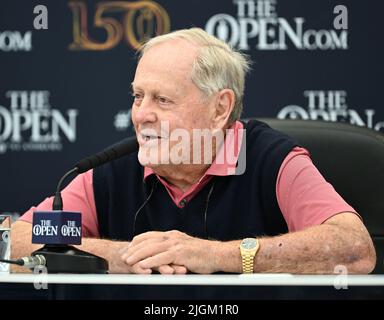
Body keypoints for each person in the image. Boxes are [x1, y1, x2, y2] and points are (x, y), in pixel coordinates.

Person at [12, 28, 375, 275]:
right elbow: (19, 239)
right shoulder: (111, 172)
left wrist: (213, 255)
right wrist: (123, 256)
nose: (141, 115)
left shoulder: (273, 162)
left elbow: (353, 248)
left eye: (163, 100)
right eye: (138, 96)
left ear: (220, 109)